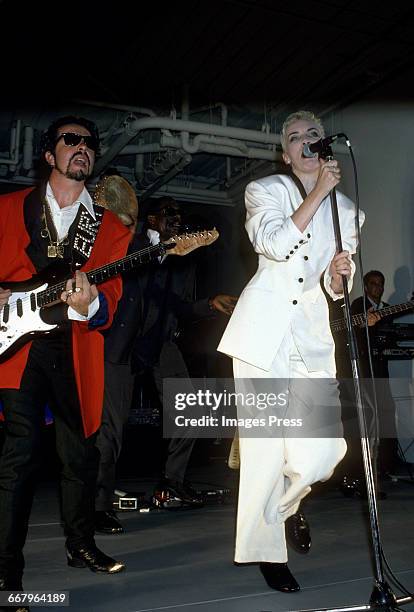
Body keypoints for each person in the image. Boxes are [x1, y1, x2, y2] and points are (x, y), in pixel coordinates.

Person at [218, 110, 364, 592]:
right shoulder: (266, 192)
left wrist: (339, 279)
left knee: (323, 453)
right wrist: (318, 191)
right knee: (263, 452)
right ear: (285, 153)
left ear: (326, 145)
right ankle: (268, 553)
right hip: (262, 334)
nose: (305, 141)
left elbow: (333, 287)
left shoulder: (349, 211)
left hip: (310, 338)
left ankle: (284, 509)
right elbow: (276, 244)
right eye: (295, 138)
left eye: (313, 135)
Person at [0, 115, 131, 603]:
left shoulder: (110, 225)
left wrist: (92, 303)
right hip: (20, 347)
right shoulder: (8, 208)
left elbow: (111, 296)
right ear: (49, 155)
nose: (82, 148)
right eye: (70, 141)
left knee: (80, 456)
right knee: (18, 457)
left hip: (75, 349)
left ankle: (81, 545)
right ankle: (5, 570)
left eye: (89, 144)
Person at [94, 195, 237, 534]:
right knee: (110, 429)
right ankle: (97, 506)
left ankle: (171, 484)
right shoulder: (134, 244)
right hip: (124, 341)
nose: (176, 218)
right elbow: (136, 285)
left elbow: (181, 306)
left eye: (179, 213)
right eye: (169, 213)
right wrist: (165, 253)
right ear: (153, 221)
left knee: (190, 409)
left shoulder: (185, 258)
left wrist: (210, 304)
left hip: (161, 342)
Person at [337, 270, 400, 497]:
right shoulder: (357, 305)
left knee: (383, 416)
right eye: (374, 284)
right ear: (365, 286)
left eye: (381, 284)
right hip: (359, 373)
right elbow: (349, 330)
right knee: (363, 422)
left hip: (377, 371)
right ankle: (357, 476)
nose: (378, 288)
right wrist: (364, 325)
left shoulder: (384, 308)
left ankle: (382, 466)